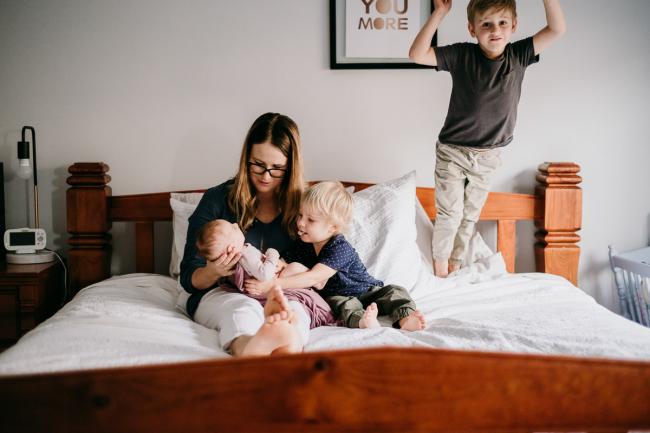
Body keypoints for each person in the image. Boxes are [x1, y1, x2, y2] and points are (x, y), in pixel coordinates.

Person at [408, 0, 566, 277]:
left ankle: (456, 266)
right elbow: (417, 54)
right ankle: (440, 273)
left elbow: (557, 29)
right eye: (486, 24)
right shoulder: (461, 55)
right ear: (472, 29)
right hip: (452, 152)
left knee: (470, 216)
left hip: (489, 155)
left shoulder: (519, 54)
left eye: (503, 23)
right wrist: (439, 14)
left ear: (514, 26)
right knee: (450, 214)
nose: (495, 30)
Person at [179, 112, 310, 357]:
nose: (265, 176)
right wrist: (214, 271)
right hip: (223, 293)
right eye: (258, 164)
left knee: (297, 310)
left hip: (283, 290)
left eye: (277, 168)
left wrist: (282, 276)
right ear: (246, 158)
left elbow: (320, 269)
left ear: (291, 167)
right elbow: (188, 277)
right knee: (241, 308)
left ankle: (288, 348)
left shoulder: (305, 207)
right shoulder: (216, 200)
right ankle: (247, 348)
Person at [244, 181, 427, 331]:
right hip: (339, 296)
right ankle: (363, 321)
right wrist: (276, 265)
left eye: (310, 220)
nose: (300, 223)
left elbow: (314, 277)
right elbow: (285, 260)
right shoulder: (304, 243)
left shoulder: (339, 247)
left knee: (395, 291)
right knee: (342, 306)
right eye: (300, 215)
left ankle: (406, 318)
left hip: (366, 290)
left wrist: (271, 284)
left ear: (333, 227)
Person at [194, 219, 334, 329]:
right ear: (231, 248)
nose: (236, 225)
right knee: (293, 267)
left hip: (272, 279)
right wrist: (273, 254)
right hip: (270, 280)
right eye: (232, 228)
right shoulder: (246, 254)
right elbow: (265, 274)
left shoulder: (238, 258)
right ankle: (318, 282)